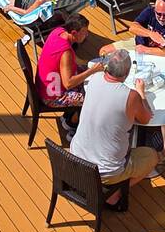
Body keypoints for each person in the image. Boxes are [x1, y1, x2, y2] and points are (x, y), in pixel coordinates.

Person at [67, 48, 158, 202]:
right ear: (128, 72)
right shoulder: (131, 96)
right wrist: (141, 93)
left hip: (76, 157)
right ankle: (115, 194)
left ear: (107, 67)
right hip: (106, 172)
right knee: (152, 156)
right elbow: (146, 119)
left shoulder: (94, 79)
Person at [34, 15, 101, 112]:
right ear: (74, 33)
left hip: (44, 85)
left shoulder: (58, 31)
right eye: (84, 32)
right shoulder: (66, 53)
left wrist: (88, 66)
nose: (86, 35)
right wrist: (92, 70)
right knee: (94, 98)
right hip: (53, 97)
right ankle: (72, 121)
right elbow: (68, 84)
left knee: (87, 71)